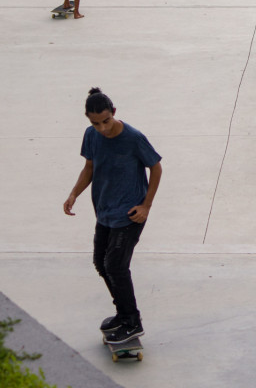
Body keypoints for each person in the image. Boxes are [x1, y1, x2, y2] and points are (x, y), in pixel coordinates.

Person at [64, 88, 162, 344]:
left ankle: (132, 321)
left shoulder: (133, 138)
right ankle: (123, 314)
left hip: (130, 214)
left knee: (116, 265)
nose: (102, 128)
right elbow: (89, 167)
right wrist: (74, 193)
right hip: (105, 211)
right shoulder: (91, 135)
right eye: (95, 123)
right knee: (101, 262)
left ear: (114, 113)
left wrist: (146, 206)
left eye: (105, 121)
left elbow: (156, 167)